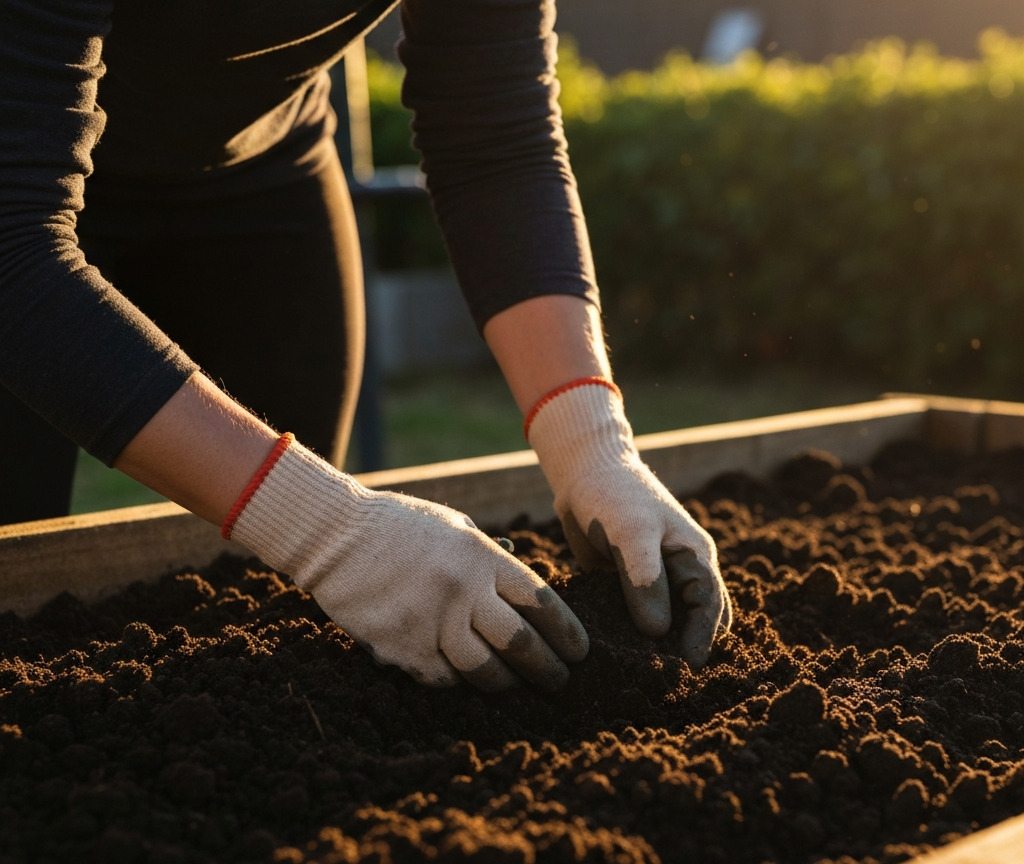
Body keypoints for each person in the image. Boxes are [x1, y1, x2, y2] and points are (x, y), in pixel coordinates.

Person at [0, 0, 731, 690]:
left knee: (282, 620)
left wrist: (592, 446)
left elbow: (496, 132)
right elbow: (10, 239)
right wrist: (329, 531)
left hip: (260, 160)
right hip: (20, 197)